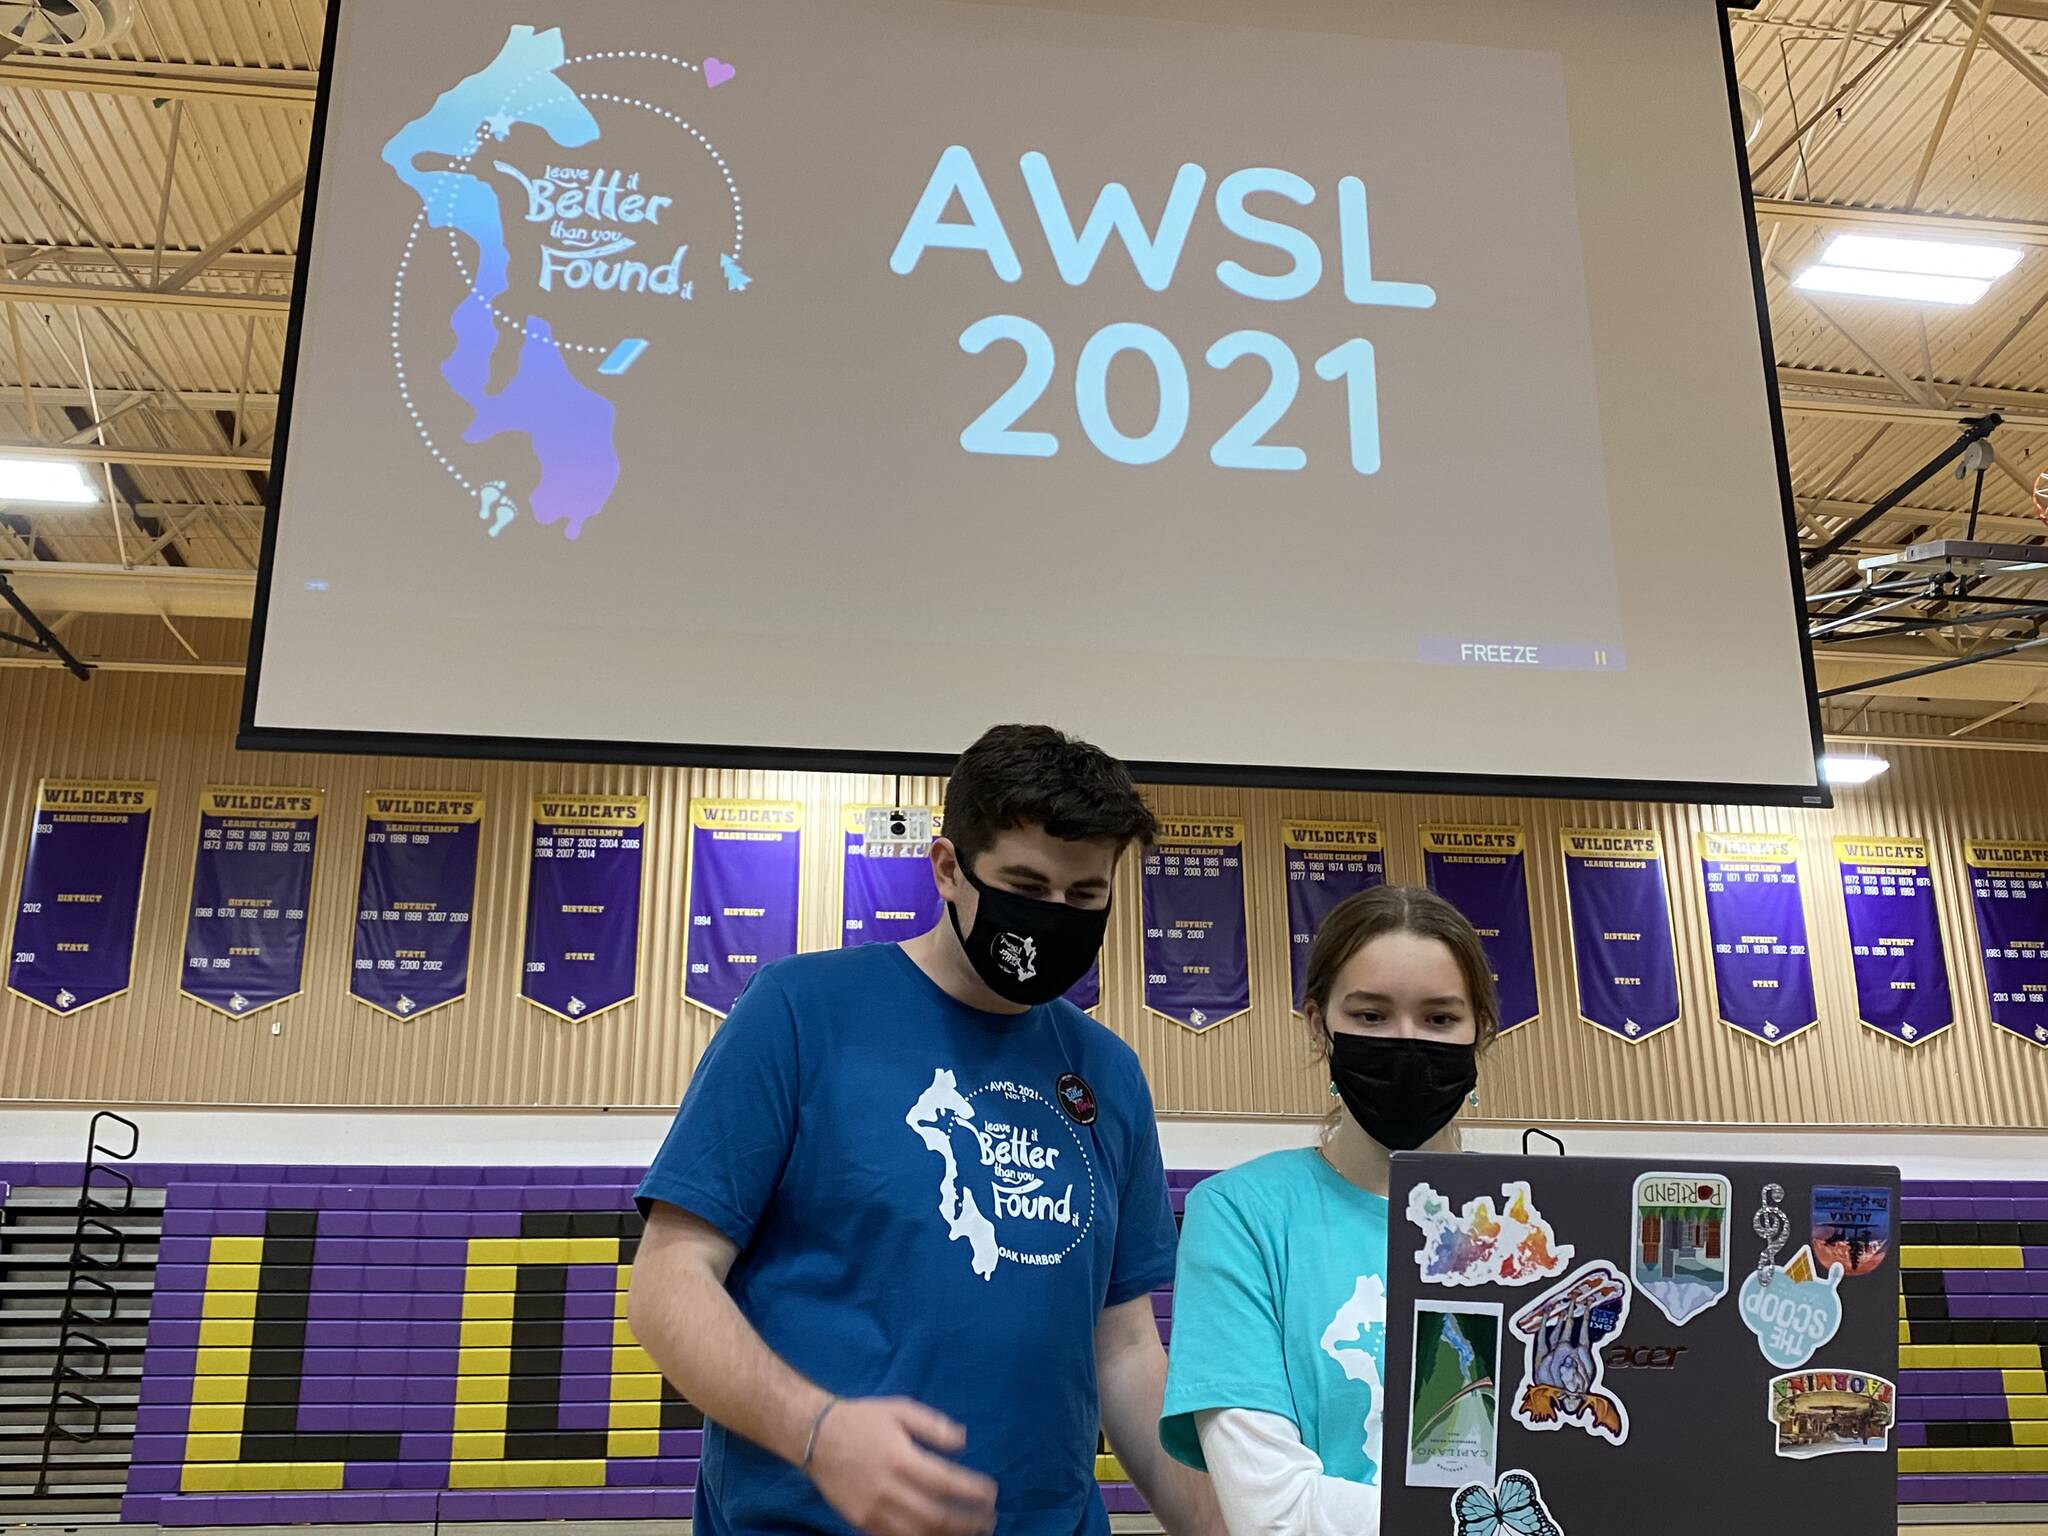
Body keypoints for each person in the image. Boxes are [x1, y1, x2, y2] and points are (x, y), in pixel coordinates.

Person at [628, 724, 1223, 1536]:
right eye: (1025, 884)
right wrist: (817, 1431)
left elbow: (1123, 1349)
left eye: (1085, 897)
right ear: (947, 868)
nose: (1054, 917)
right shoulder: (800, 1014)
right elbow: (669, 1282)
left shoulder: (1107, 1073)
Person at [1157, 885, 1498, 1535]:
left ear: (1480, 1028)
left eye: (1439, 1018)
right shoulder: (1242, 1216)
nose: (1406, 1042)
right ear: (1319, 1025)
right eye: (1371, 1017)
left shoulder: (1532, 1223)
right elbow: (1272, 1512)